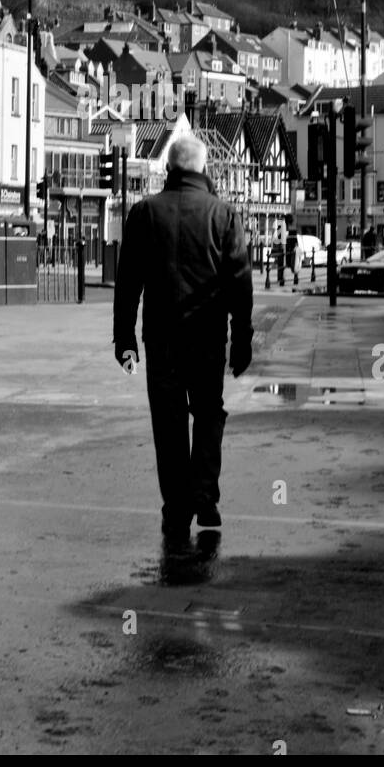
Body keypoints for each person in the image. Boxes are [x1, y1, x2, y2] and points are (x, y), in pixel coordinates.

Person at [113, 133, 254, 541]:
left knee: (169, 420)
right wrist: (240, 340)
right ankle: (205, 497)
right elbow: (239, 285)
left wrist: (124, 339)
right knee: (209, 412)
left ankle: (176, 507)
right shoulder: (224, 215)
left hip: (161, 338)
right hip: (207, 336)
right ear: (202, 168)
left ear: (169, 168)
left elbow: (128, 284)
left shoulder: (144, 213)